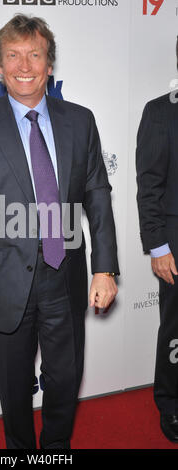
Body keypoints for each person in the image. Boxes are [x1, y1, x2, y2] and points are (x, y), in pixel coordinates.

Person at [0, 14, 119, 449]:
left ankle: (56, 450)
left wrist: (105, 268)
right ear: (0, 66)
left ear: (49, 64)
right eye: (13, 56)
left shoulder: (80, 121)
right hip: (5, 283)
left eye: (35, 55)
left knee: (65, 382)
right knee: (15, 389)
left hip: (65, 276)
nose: (24, 65)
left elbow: (97, 193)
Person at [136, 38, 178, 443]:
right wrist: (159, 247)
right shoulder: (161, 112)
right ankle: (171, 402)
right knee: (176, 330)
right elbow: (148, 185)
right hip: (177, 244)